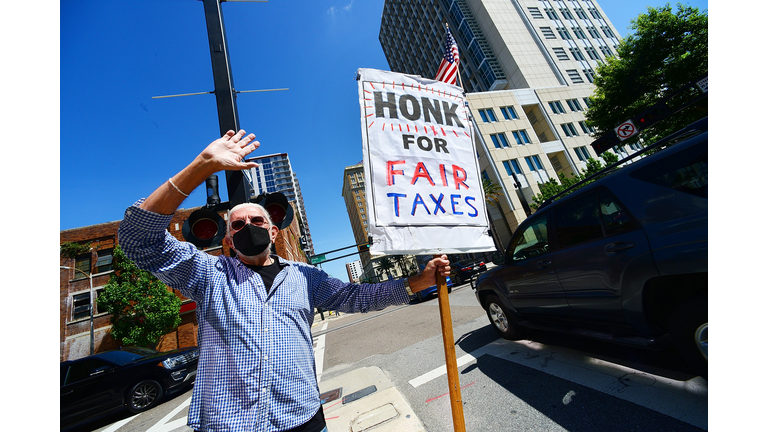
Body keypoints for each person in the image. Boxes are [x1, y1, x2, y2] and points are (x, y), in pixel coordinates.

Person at [118, 129, 452, 432]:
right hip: (227, 425)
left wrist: (419, 282)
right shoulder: (207, 275)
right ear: (229, 241)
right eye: (237, 225)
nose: (247, 226)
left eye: (257, 220)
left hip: (303, 420)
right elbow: (137, 239)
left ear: (273, 231)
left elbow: (357, 297)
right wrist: (202, 166)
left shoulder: (305, 278)